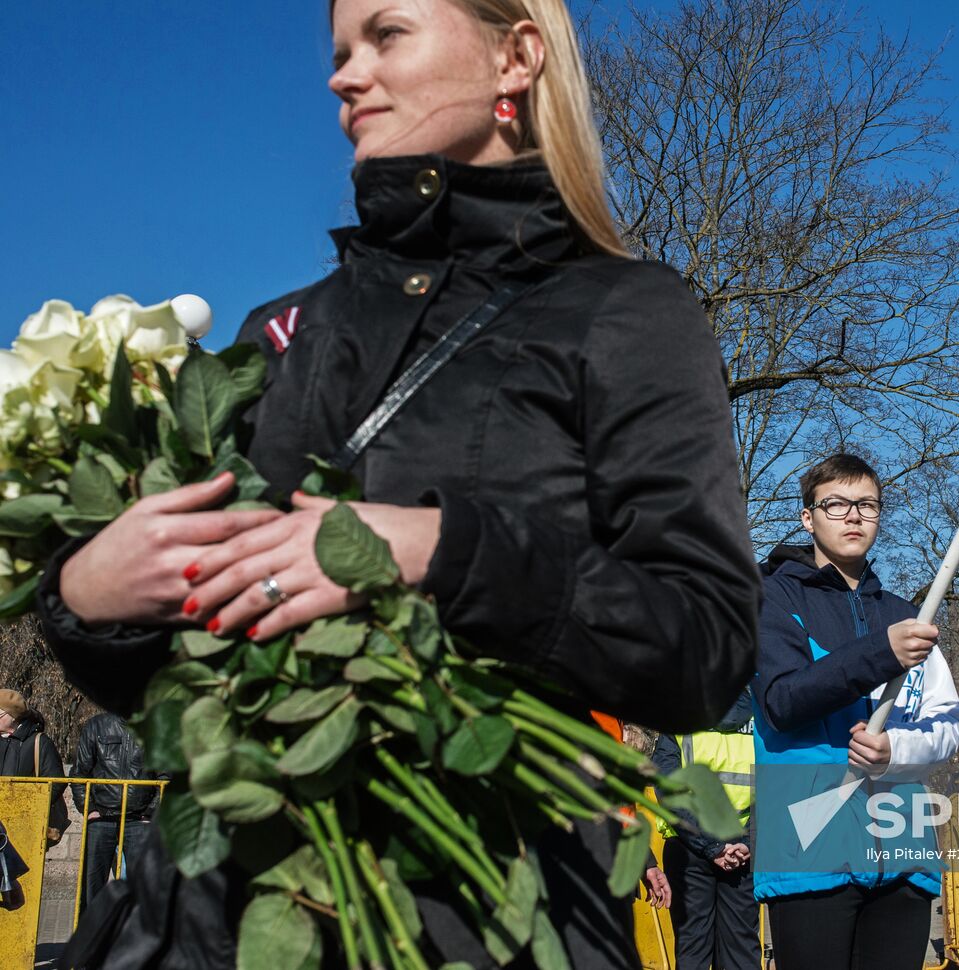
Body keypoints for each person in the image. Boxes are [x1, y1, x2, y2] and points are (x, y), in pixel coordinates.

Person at [35, 0, 761, 964]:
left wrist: (438, 549)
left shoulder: (624, 311)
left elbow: (705, 645)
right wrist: (90, 600)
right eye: (338, 51)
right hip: (221, 917)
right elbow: (205, 679)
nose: (343, 76)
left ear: (517, 56)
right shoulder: (276, 335)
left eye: (386, 35)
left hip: (491, 913)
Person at [753, 453, 959, 970]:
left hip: (903, 848)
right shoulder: (768, 596)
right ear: (809, 517)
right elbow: (782, 701)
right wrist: (880, 654)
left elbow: (947, 724)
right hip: (813, 847)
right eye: (836, 504)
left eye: (866, 505)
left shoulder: (907, 615)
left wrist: (897, 751)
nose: (853, 516)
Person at [653, 688, 758, 970]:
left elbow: (668, 789)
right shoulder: (761, 715)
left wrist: (711, 847)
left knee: (692, 948)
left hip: (688, 846)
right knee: (742, 948)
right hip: (742, 851)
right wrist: (749, 841)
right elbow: (777, 785)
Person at [71, 714, 161, 913]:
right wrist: (90, 809)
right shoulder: (96, 725)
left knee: (144, 884)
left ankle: (137, 937)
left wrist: (150, 812)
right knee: (91, 883)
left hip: (139, 819)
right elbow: (79, 773)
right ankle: (89, 937)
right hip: (101, 817)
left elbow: (165, 777)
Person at [0, 690, 69, 850]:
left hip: (26, 827)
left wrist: (29, 807)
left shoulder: (40, 742)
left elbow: (56, 782)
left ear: (12, 715)